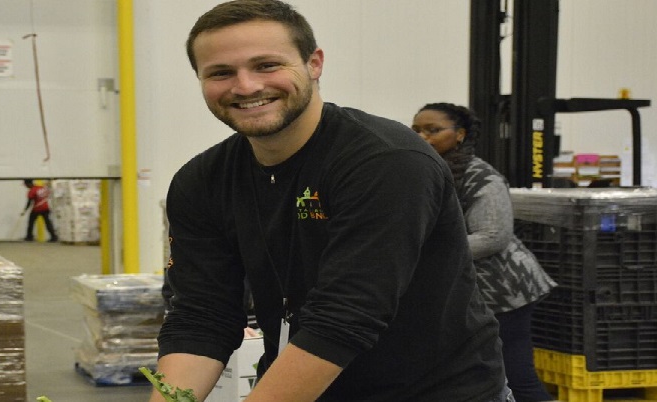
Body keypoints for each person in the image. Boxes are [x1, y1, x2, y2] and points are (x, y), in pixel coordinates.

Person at [156, 1, 510, 401]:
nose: (246, 86)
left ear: (314, 63)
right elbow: (201, 315)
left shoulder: (386, 162)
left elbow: (345, 317)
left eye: (267, 65)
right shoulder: (201, 181)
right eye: (221, 72)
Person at [413, 102, 558, 402]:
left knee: (516, 374)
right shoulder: (428, 170)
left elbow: (493, 236)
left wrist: (423, 249)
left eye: (433, 130)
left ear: (460, 134)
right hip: (470, 290)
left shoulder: (482, 177)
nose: (423, 136)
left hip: (506, 291)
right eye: (416, 130)